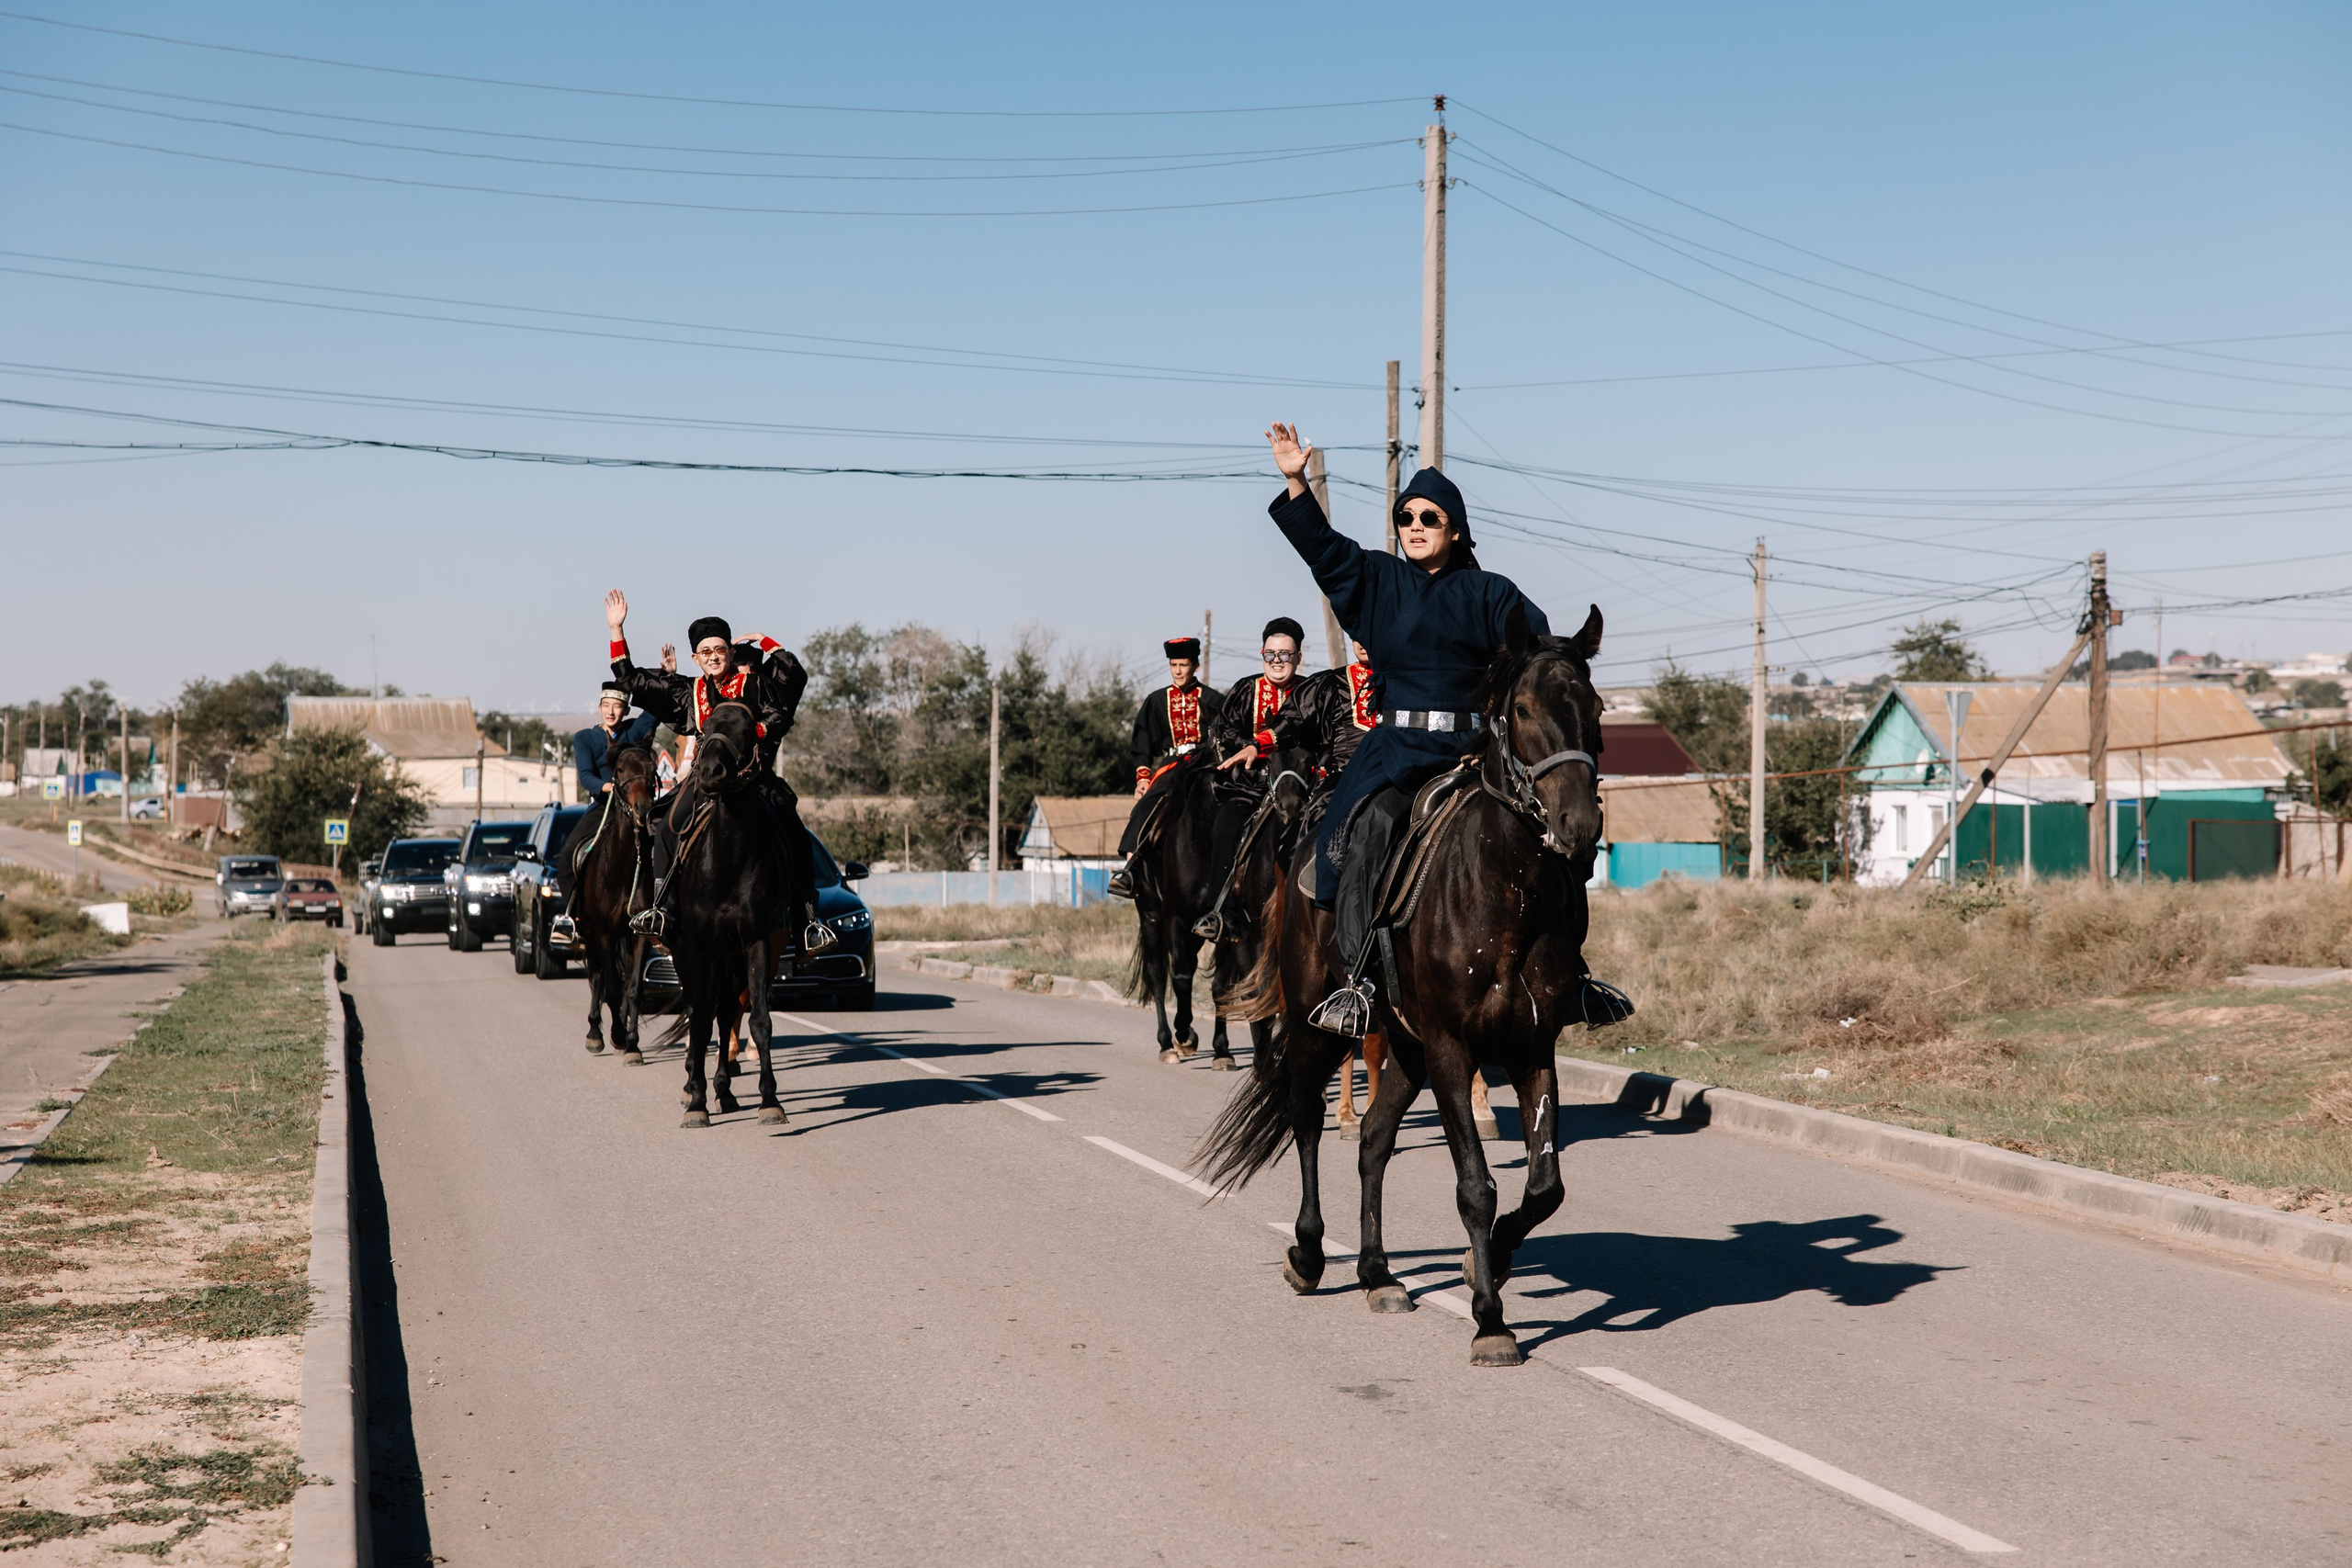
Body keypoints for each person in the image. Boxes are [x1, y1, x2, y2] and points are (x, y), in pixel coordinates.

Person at [1261, 423, 1552, 1036]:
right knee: (1365, 833)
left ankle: (1566, 975)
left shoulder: (1491, 593)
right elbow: (1322, 547)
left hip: (1472, 754)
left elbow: (1540, 651)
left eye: (1429, 517)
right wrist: (1296, 479)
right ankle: (1358, 984)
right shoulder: (1377, 580)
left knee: (1551, 832)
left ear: (1455, 529)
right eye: (1405, 516)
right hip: (1397, 752)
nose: (1415, 526)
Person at [600, 590, 831, 953]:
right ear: (695, 657)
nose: (713, 658)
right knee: (663, 825)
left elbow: (785, 695)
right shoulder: (689, 692)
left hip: (752, 779)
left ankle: (809, 920)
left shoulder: (754, 683)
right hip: (705, 782)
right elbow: (630, 680)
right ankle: (662, 909)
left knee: (794, 830)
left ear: (730, 652)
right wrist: (617, 629)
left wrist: (765, 642)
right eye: (705, 653)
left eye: (719, 651)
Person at [1191, 618, 1307, 940]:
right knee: (1224, 827)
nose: (1277, 662)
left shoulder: (1311, 691)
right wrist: (1250, 748)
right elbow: (1225, 728)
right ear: (1262, 654)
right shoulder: (1246, 688)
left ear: (1298, 656)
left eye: (1285, 655)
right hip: (1249, 784)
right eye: (1270, 655)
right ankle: (1220, 912)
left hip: (1298, 785)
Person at [1107, 637, 1227, 901]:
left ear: (1195, 666)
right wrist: (1142, 777)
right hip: (1171, 765)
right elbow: (1142, 742)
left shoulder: (1215, 700)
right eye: (1174, 665)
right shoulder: (1156, 701)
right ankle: (1130, 870)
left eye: (1184, 665)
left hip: (1206, 764)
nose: (1178, 671)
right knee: (1145, 806)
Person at [574, 683, 661, 799]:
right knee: (588, 818)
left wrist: (668, 675)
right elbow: (585, 776)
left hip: (637, 801)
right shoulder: (585, 738)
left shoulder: (633, 730)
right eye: (606, 706)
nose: (610, 712)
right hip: (604, 803)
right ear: (599, 708)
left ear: (626, 711)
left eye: (617, 706)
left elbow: (655, 708)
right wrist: (608, 787)